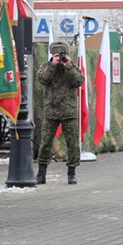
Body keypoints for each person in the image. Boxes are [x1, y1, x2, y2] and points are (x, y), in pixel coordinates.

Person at [36, 41, 86, 185]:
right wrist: (52, 65)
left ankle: (72, 173)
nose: (60, 57)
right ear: (52, 54)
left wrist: (68, 66)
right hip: (51, 111)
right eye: (57, 55)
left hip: (68, 111)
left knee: (73, 144)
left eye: (62, 54)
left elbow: (79, 81)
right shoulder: (46, 67)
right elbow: (43, 79)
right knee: (45, 143)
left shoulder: (72, 67)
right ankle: (41, 173)